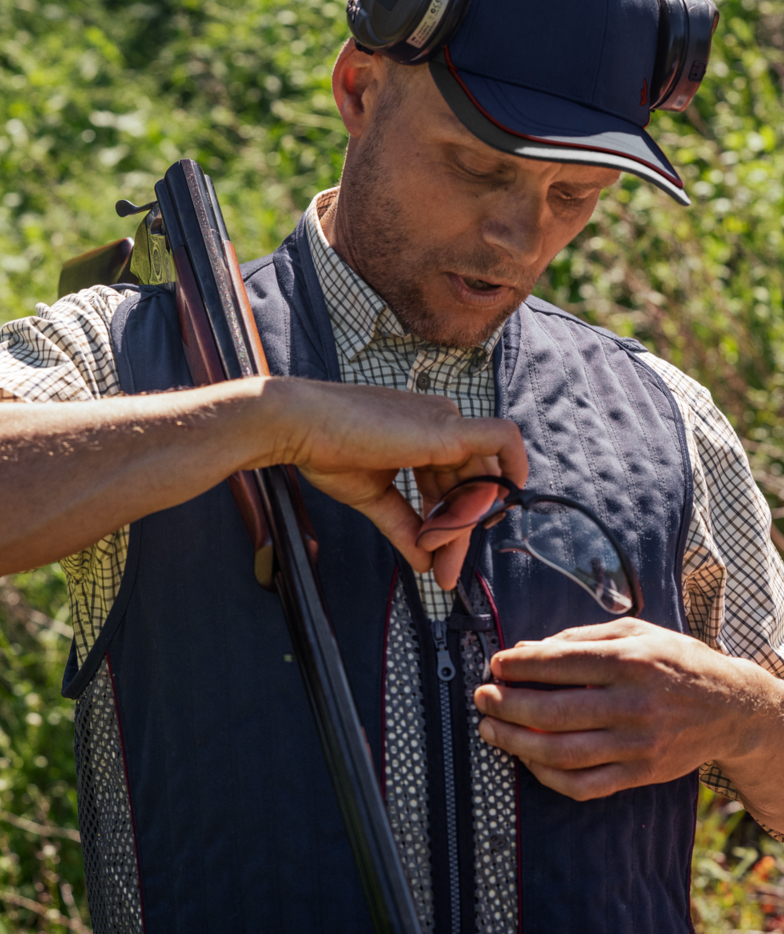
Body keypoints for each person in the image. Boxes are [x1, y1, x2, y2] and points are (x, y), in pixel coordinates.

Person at [1, 0, 783, 932]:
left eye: (574, 195)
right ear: (359, 89)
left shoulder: (669, 413)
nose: (520, 239)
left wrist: (745, 716)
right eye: (478, 167)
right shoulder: (124, 357)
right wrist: (261, 419)